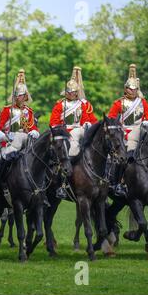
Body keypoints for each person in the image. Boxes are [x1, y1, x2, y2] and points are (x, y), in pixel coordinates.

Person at [0, 69, 39, 206]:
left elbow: (33, 127)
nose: (17, 98)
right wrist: (2, 135)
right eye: (16, 96)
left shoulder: (29, 112)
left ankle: (40, 193)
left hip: (26, 144)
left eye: (20, 96)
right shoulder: (7, 110)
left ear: (25, 96)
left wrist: (34, 132)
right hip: (9, 144)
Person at [49, 66, 98, 198]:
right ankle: (63, 184)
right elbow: (53, 122)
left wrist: (88, 124)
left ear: (77, 92)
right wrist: (61, 128)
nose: (71, 94)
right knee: (71, 148)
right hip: (66, 133)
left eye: (73, 92)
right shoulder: (60, 105)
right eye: (69, 92)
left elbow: (88, 119)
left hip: (80, 130)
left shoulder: (83, 104)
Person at [108, 64, 148, 197]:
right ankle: (120, 183)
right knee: (125, 155)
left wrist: (147, 122)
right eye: (130, 88)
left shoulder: (142, 102)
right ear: (125, 89)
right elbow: (111, 118)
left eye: (135, 89)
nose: (133, 91)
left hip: (139, 130)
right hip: (123, 132)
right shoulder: (119, 103)